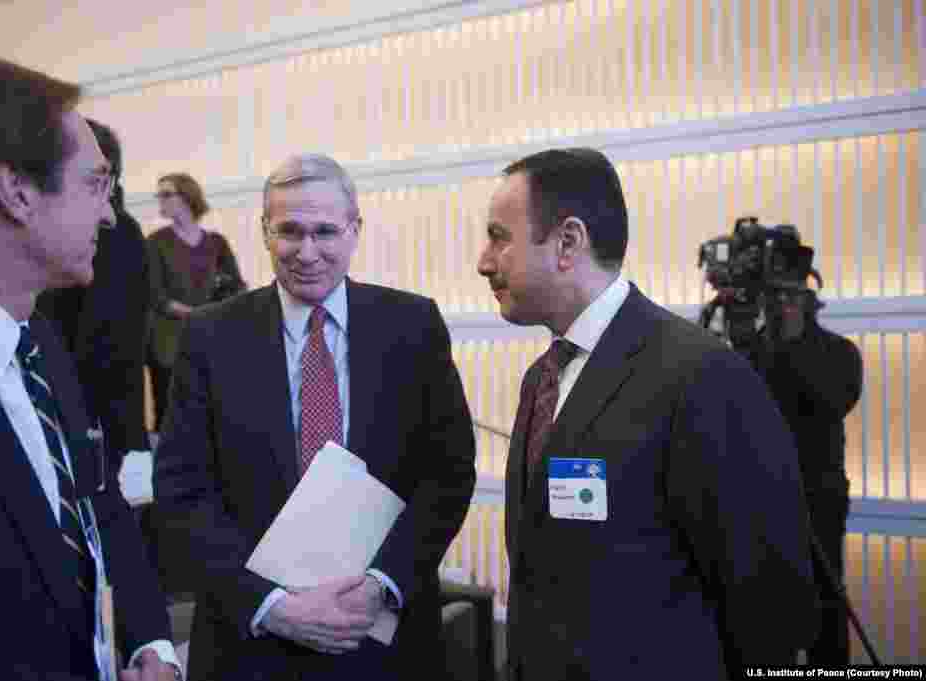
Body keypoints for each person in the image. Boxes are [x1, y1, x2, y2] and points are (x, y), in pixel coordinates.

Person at [476, 148, 819, 680]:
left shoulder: (701, 375)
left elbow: (767, 601)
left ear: (568, 242)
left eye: (500, 237)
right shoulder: (541, 380)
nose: (483, 260)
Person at [0, 54, 180, 681]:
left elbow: (96, 506)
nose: (110, 215)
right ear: (16, 190)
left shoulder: (37, 335)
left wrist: (151, 647)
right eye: (93, 184)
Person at [154, 153, 477, 681]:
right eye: (290, 232)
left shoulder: (413, 325)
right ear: (264, 232)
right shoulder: (211, 336)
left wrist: (381, 584)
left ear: (355, 230)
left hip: (379, 639)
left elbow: (448, 472)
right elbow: (182, 489)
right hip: (251, 643)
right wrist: (272, 605)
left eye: (326, 232)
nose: (307, 252)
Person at [749, 275, 863, 665]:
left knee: (825, 603)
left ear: (809, 301)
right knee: (760, 604)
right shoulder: (746, 352)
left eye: (791, 297)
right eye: (775, 297)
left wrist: (787, 347)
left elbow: (831, 399)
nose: (783, 306)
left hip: (818, 496)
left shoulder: (839, 353)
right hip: (757, 499)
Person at [37, 118, 151, 478]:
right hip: (112, 385)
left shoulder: (111, 232)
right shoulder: (129, 229)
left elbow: (96, 320)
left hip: (88, 386)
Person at [145, 172, 244, 431]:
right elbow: (154, 294)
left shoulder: (216, 243)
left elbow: (237, 287)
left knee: (213, 415)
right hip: (168, 344)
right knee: (169, 418)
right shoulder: (156, 243)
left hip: (212, 339)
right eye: (160, 195)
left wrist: (218, 311)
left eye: (166, 194)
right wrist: (195, 313)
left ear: (186, 197)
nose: (160, 201)